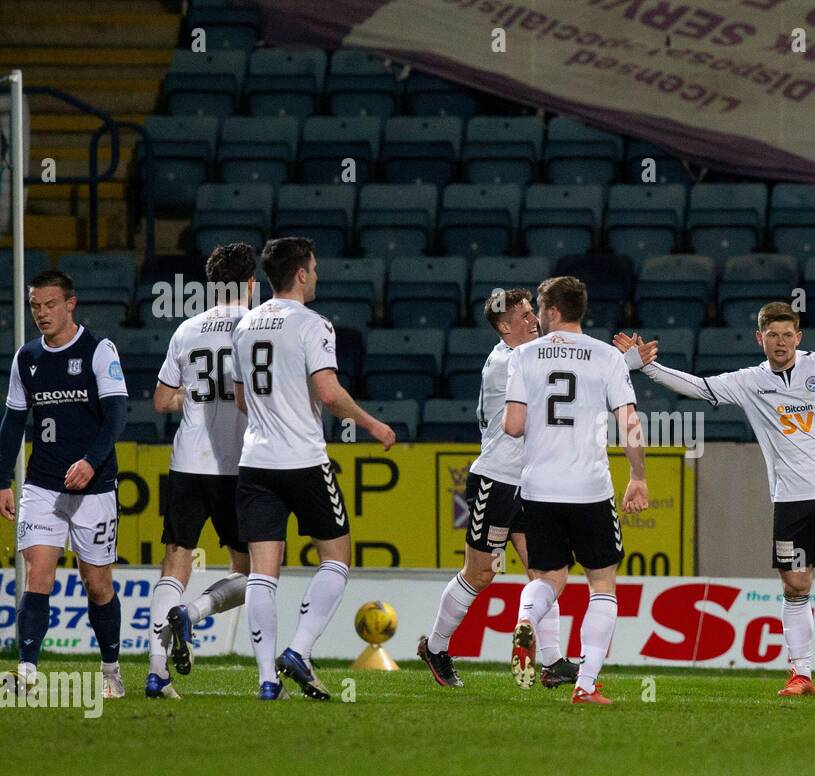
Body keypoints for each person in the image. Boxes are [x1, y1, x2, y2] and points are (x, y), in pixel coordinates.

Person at [616, 301, 815, 697]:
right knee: (796, 585)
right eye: (773, 336)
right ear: (759, 339)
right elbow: (698, 386)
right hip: (791, 501)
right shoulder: (750, 381)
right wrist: (646, 367)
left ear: (799, 337)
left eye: (788, 335)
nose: (781, 343)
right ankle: (801, 674)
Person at [231, 238, 395, 700]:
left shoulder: (244, 326)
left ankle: (266, 680)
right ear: (301, 274)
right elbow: (328, 392)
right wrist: (371, 424)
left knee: (263, 573)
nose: (317, 275)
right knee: (336, 556)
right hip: (302, 460)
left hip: (255, 463)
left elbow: (243, 399)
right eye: (315, 268)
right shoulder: (313, 324)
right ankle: (299, 650)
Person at [416, 288, 579, 690]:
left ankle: (553, 661)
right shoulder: (504, 363)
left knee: (545, 570)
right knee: (482, 572)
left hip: (532, 481)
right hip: (497, 480)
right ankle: (435, 647)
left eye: (532, 312)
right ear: (505, 327)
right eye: (523, 316)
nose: (532, 319)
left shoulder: (530, 354)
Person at [503, 276, 649, 704]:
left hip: (539, 487)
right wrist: (637, 477)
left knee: (548, 576)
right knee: (601, 583)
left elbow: (512, 426)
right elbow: (630, 423)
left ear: (550, 311)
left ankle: (527, 616)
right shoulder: (607, 357)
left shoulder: (523, 356)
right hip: (589, 488)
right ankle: (585, 685)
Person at [0, 271, 129, 698]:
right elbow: (14, 421)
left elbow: (116, 417)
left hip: (93, 488)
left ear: (70, 304)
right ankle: (27, 673)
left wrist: (92, 463)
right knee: (38, 574)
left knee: (98, 584)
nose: (41, 313)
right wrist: (3, 480)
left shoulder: (98, 350)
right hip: (43, 485)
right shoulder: (27, 357)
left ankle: (110, 671)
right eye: (35, 305)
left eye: (49, 304)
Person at [145, 243, 256, 699]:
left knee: (175, 560)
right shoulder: (256, 328)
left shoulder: (187, 330)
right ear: (250, 283)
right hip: (240, 464)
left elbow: (160, 400)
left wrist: (190, 397)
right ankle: (193, 612)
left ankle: (156, 671)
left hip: (188, 462)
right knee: (254, 573)